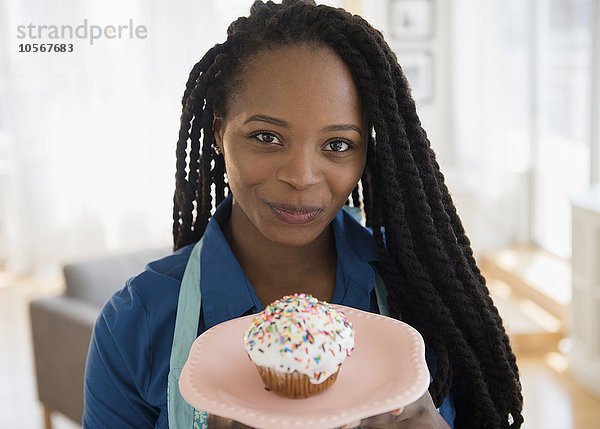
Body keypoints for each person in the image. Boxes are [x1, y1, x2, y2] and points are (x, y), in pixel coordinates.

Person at [83, 1, 524, 428]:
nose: (301, 176)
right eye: (266, 136)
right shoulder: (136, 322)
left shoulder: (428, 293)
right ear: (219, 129)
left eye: (337, 145)